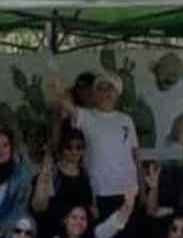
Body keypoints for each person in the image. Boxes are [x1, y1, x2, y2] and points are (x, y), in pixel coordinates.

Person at [52, 72, 140, 216]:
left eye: (109, 88)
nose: (105, 93)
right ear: (95, 93)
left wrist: (141, 190)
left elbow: (135, 157)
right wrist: (57, 86)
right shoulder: (85, 116)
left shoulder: (127, 120)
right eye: (100, 88)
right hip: (98, 192)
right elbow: (63, 102)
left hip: (128, 191)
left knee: (128, 237)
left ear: (117, 93)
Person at [29, 128, 95, 238]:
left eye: (79, 147)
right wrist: (44, 175)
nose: (74, 151)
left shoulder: (85, 175)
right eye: (69, 147)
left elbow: (89, 207)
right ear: (62, 149)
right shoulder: (52, 174)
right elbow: (38, 206)